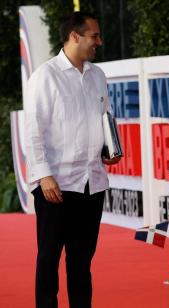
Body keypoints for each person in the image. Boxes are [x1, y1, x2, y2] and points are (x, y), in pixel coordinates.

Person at [25, 11, 120, 308]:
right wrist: (44, 174)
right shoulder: (46, 75)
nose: (99, 42)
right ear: (75, 36)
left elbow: (105, 118)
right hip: (56, 183)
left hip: (92, 182)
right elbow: (33, 129)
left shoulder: (97, 75)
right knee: (49, 258)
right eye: (95, 36)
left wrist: (109, 148)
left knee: (81, 261)